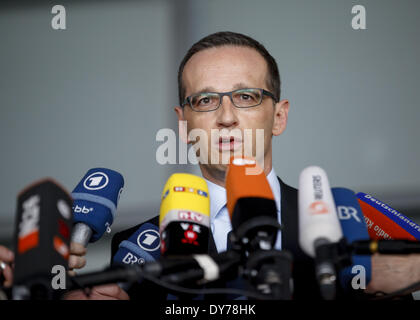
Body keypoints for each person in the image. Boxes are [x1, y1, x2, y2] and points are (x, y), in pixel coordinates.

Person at [2, 31, 420, 300]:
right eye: (205, 100)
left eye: (246, 96)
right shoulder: (134, 250)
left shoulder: (347, 232)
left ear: (279, 116)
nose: (225, 117)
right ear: (184, 124)